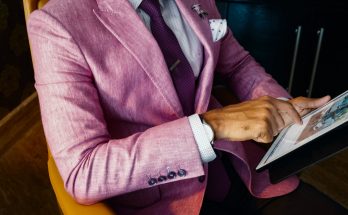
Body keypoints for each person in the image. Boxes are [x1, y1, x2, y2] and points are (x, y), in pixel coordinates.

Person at [27, 0, 347, 214]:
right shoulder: (56, 25)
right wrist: (211, 126)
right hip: (159, 202)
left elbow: (236, 64)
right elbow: (84, 171)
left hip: (242, 171)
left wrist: (282, 107)